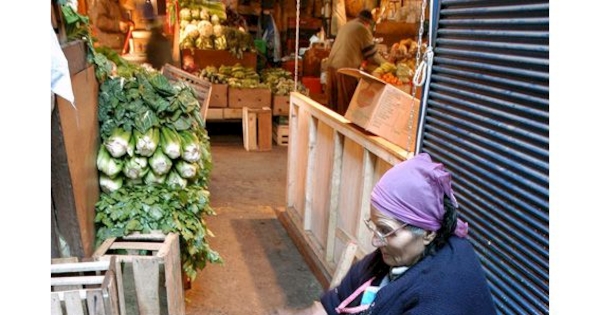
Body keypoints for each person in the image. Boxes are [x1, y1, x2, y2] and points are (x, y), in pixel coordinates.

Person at [270, 153, 497, 314]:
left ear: (427, 232)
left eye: (386, 231)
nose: (375, 240)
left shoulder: (441, 298)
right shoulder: (394, 256)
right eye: (375, 226)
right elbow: (331, 305)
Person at [325, 10, 388, 116]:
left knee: (334, 108)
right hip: (344, 70)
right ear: (368, 23)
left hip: (331, 68)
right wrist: (387, 65)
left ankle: (331, 132)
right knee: (345, 108)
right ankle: (343, 132)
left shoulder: (347, 25)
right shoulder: (362, 29)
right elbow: (372, 55)